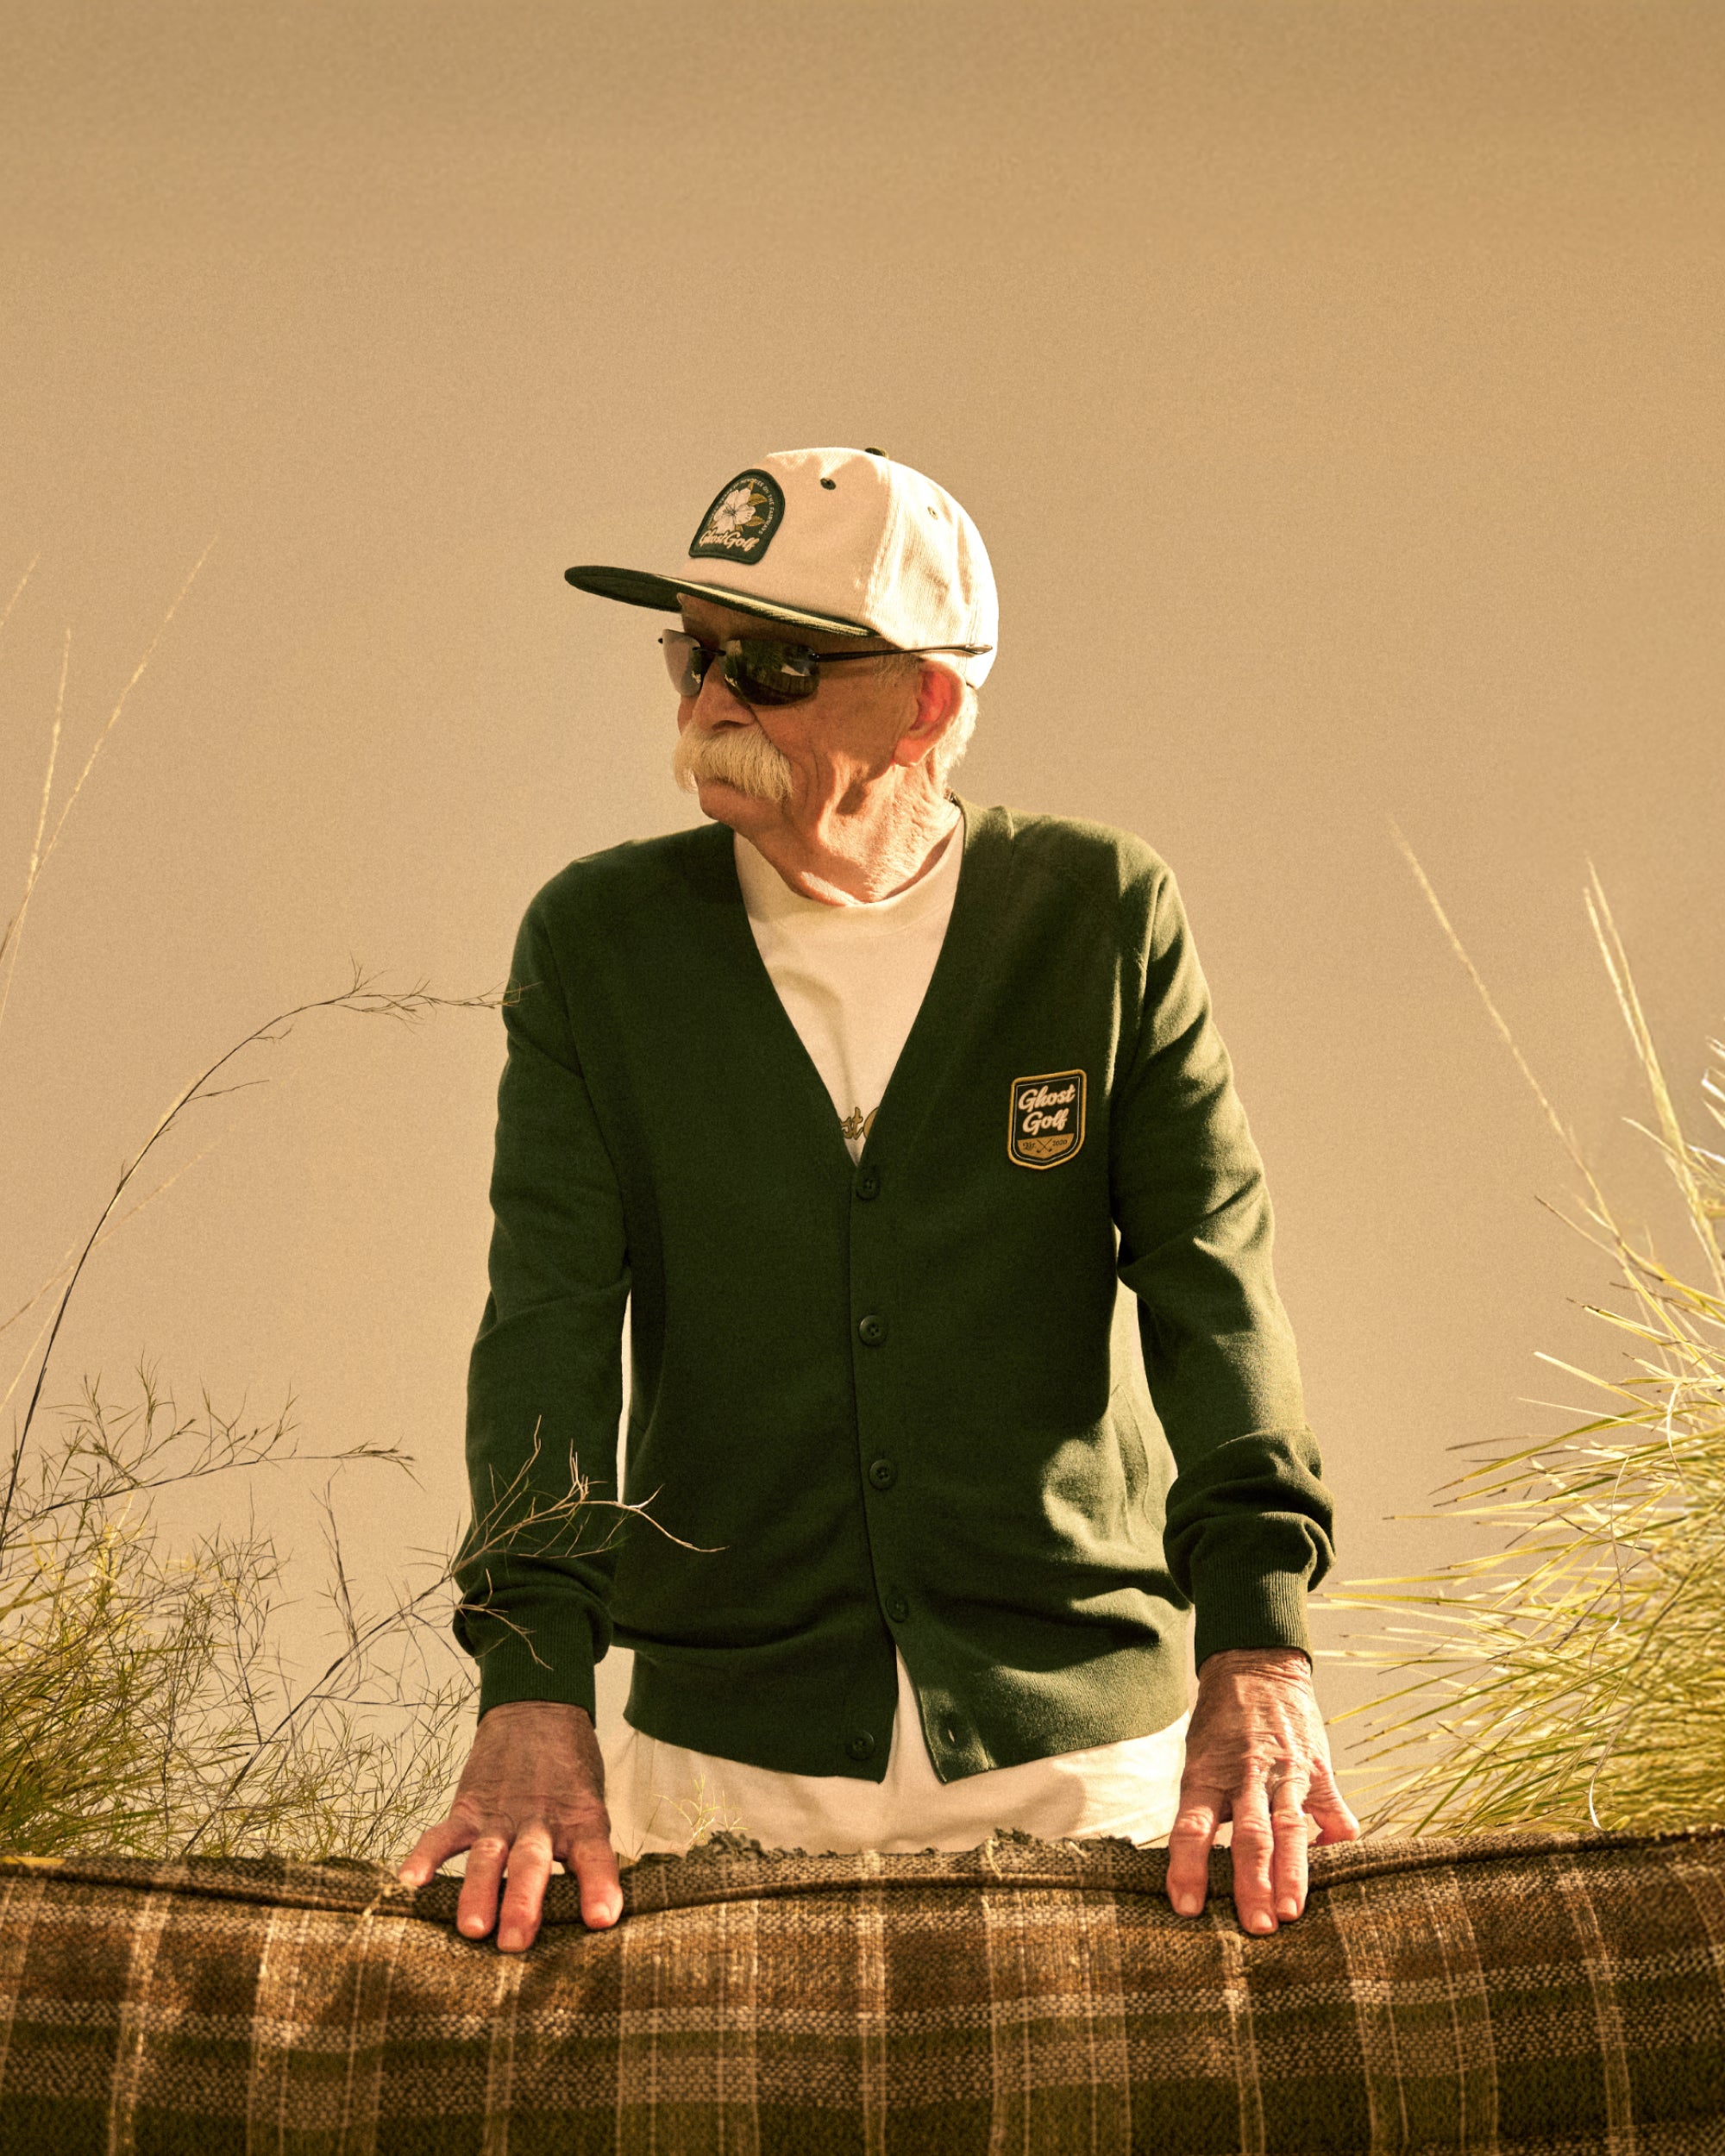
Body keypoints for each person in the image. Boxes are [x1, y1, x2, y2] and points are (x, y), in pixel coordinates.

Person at [398, 446, 1358, 1953]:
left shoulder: (1100, 918)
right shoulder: (602, 947)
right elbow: (550, 1325)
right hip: (725, 1760)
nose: (713, 702)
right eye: (694, 654)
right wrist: (534, 1683)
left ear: (928, 701)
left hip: (1079, 1764)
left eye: (774, 665)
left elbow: (1211, 1282)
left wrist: (1258, 1648)